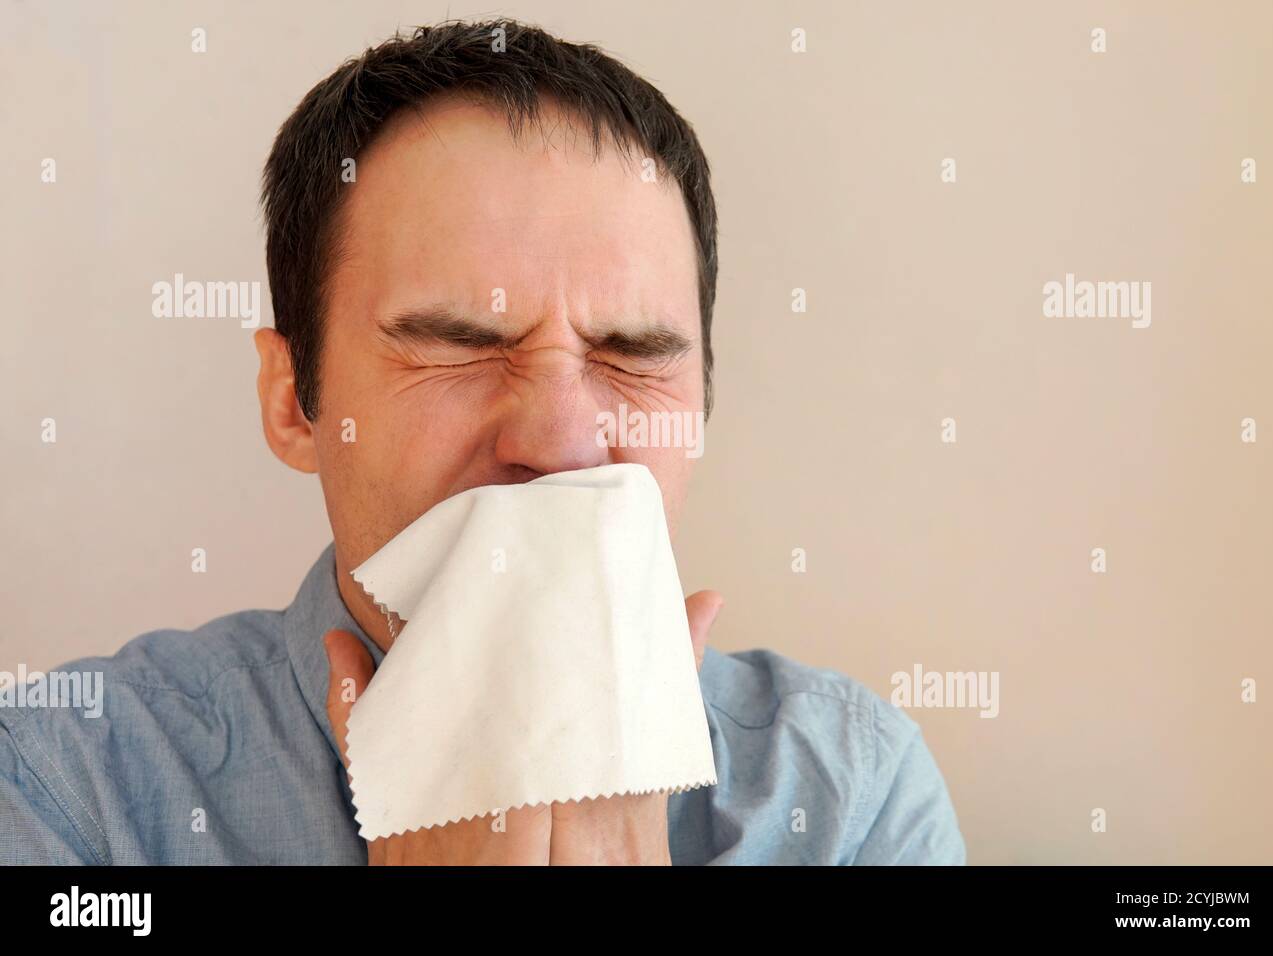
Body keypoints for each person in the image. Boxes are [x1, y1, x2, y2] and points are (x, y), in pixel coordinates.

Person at [0, 18, 965, 865]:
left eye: (632, 355)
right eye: (458, 347)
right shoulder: (76, 789)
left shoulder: (848, 800)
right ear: (295, 401)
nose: (556, 440)